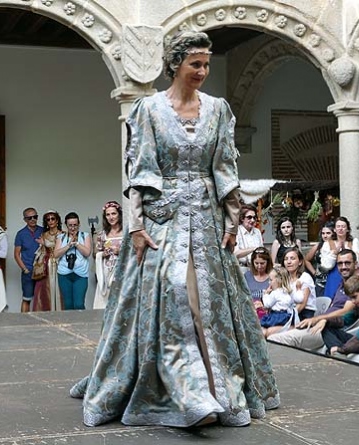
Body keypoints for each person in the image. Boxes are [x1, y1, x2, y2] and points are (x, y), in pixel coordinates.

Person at [72, 31, 279, 427]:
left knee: (208, 303)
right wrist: (136, 226)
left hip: (206, 222)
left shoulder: (218, 109)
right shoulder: (149, 109)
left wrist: (232, 220)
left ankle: (217, 390)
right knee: (171, 294)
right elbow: (140, 170)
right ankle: (186, 395)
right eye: (195, 64)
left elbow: (224, 168)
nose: (202, 71)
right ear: (175, 64)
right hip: (161, 222)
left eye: (206, 65)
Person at [268, 249, 359, 349]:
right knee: (270, 335)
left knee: (274, 339)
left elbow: (345, 311)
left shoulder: (357, 286)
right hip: (319, 325)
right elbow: (332, 307)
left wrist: (322, 319)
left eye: (347, 263)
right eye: (340, 264)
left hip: (330, 330)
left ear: (356, 264)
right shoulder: (342, 284)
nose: (343, 267)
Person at [54, 212, 91, 310]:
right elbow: (56, 254)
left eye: (75, 225)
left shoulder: (85, 235)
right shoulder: (61, 237)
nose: (73, 228)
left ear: (79, 224)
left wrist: (77, 243)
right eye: (70, 225)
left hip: (81, 274)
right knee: (68, 304)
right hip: (64, 274)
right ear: (66, 225)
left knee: (79, 304)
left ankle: (81, 320)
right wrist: (68, 246)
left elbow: (87, 253)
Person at [321, 216, 359, 298]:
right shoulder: (327, 244)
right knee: (333, 298)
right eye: (338, 226)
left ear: (347, 229)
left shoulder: (354, 242)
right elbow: (326, 265)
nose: (340, 229)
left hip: (352, 276)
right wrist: (335, 252)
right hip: (334, 276)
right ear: (334, 229)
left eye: (343, 226)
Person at [94, 202, 123, 309]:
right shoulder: (102, 234)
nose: (111, 217)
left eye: (114, 214)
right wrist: (103, 254)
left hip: (122, 270)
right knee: (106, 300)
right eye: (108, 214)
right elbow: (96, 252)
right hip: (107, 271)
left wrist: (120, 251)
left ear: (119, 214)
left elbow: (134, 251)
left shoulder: (127, 232)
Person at [13, 208, 43, 313]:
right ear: (25, 219)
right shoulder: (21, 234)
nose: (33, 219)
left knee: (41, 299)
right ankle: (24, 320)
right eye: (29, 218)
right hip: (28, 270)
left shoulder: (43, 231)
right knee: (27, 299)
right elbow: (16, 254)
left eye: (35, 217)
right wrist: (24, 269)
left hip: (42, 270)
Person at [33, 210, 62, 312]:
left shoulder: (63, 234)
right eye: (48, 219)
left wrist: (45, 243)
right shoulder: (44, 235)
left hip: (60, 263)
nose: (50, 221)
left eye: (52, 218)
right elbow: (42, 252)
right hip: (47, 264)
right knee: (46, 289)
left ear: (57, 220)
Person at [258, 267, 298, 337]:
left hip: (276, 316)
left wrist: (265, 294)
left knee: (262, 327)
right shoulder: (287, 291)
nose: (269, 282)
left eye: (271, 280)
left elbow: (267, 304)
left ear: (279, 280)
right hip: (286, 317)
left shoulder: (275, 293)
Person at [282, 246, 316, 320]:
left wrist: (287, 319)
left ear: (300, 262)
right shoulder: (285, 279)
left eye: (292, 258)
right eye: (286, 259)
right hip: (289, 311)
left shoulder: (305, 277)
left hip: (304, 314)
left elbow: (302, 304)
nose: (289, 262)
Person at [304, 221, 335, 296]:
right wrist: (314, 272)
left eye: (328, 233)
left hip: (333, 279)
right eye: (323, 233)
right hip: (320, 281)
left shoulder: (336, 246)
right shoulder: (318, 246)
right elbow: (306, 260)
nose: (325, 236)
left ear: (333, 234)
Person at [244, 247, 273, 319]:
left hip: (267, 313)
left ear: (268, 262)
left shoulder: (273, 276)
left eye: (262, 263)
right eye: (256, 263)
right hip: (250, 312)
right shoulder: (247, 276)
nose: (259, 266)